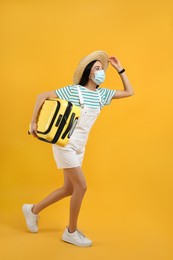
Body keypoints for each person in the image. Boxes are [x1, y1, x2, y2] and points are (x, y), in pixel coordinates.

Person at [22, 50, 134, 247]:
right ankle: (71, 231)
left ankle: (32, 210)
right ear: (89, 72)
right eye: (97, 68)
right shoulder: (74, 91)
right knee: (81, 187)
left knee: (68, 189)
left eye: (102, 68)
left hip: (80, 146)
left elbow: (129, 92)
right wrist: (33, 122)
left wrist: (120, 69)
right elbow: (42, 96)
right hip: (65, 144)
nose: (101, 72)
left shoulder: (102, 94)